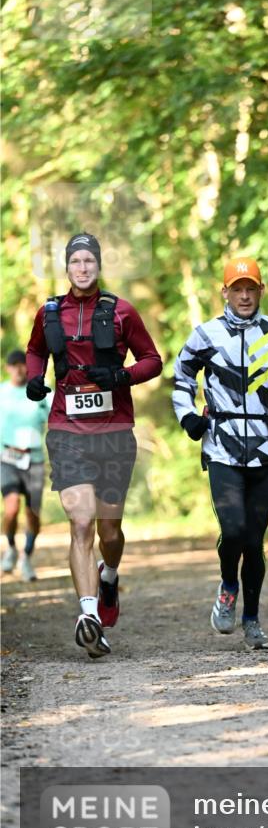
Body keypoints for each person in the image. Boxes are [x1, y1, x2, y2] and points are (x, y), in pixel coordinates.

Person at [25, 232, 162, 659]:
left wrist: (121, 377)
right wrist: (35, 378)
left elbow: (152, 361)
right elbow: (34, 351)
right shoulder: (50, 312)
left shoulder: (121, 311)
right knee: (80, 522)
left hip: (115, 431)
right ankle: (89, 616)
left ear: (98, 265)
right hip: (66, 431)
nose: (82, 268)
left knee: (110, 531)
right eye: (76, 261)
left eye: (89, 261)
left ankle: (109, 577)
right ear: (67, 267)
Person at [172, 256, 268, 650]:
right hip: (222, 444)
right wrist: (187, 417)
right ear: (225, 292)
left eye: (251, 289)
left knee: (254, 540)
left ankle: (252, 620)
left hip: (266, 445)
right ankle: (228, 584)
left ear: (261, 292)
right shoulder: (206, 334)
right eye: (237, 289)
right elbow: (181, 376)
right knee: (233, 530)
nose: (244, 296)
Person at [1, 349, 50, 581]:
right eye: (15, 365)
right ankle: (10, 547)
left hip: (35, 460)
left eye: (23, 365)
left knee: (33, 514)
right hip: (7, 457)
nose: (20, 369)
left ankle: (27, 558)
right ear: (8, 368)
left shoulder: (40, 392)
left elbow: (56, 418)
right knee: (11, 509)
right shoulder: (2, 392)